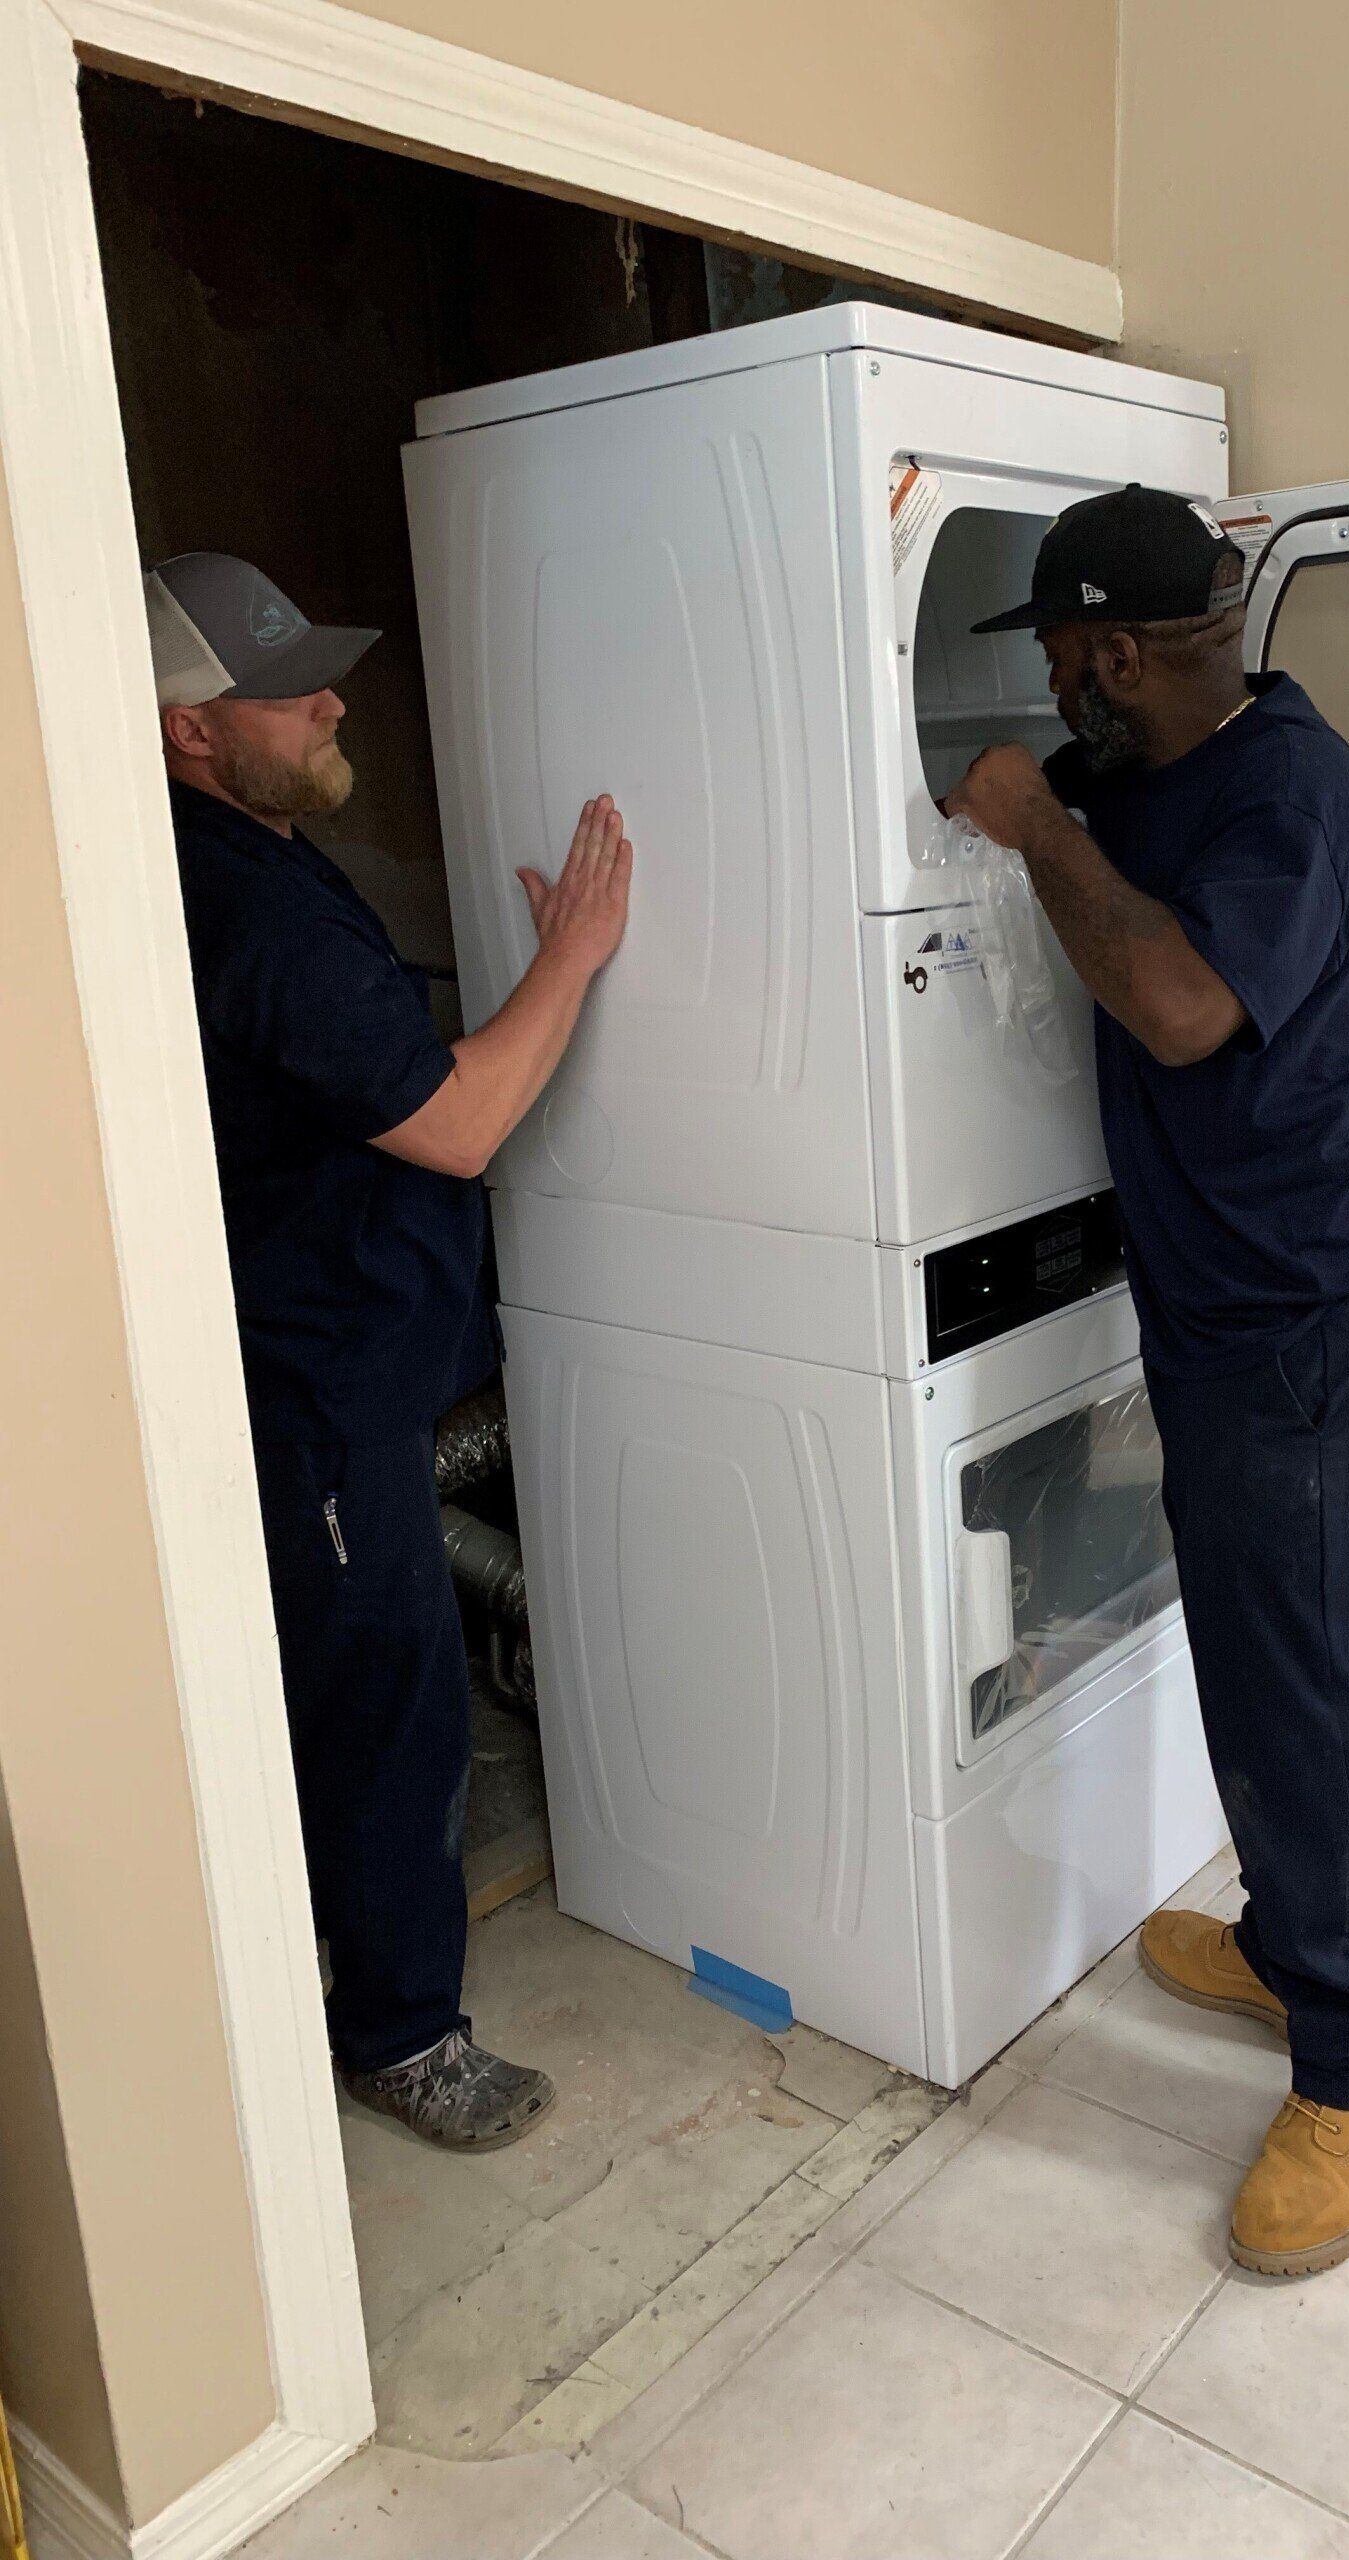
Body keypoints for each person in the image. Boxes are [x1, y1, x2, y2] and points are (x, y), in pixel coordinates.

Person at [949, 486, 1349, 2278]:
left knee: (1308, 1691)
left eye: (1061, 654)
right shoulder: (1166, 772)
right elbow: (1123, 873)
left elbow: (1179, 1006)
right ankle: (1298, 1945)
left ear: (1117, 652)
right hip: (1232, 1317)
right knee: (1257, 1662)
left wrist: (1029, 822)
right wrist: (1045, 811)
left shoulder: (1287, 792)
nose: (1053, 685)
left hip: (1309, 1321)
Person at [146, 550, 632, 2150]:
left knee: (378, 1681)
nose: (332, 702)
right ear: (189, 730)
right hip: (318, 1385)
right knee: (386, 1707)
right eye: (284, 691)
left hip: (357, 1355)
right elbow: (462, 1122)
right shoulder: (246, 912)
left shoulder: (257, 850)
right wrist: (573, 954)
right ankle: (404, 2034)